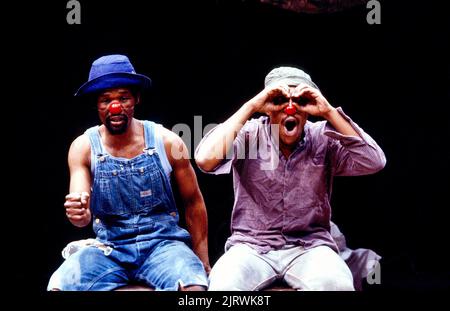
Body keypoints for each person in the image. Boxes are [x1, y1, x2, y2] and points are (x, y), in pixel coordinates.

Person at [195, 66, 386, 291]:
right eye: (279, 100)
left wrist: (328, 112)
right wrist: (251, 106)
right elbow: (205, 159)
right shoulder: (249, 134)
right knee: (223, 286)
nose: (290, 108)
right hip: (251, 247)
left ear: (308, 109)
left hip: (310, 247)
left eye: (300, 101)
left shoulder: (322, 138)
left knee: (338, 285)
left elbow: (374, 161)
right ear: (268, 107)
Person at [48, 54, 210, 291]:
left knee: (193, 288)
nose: (115, 107)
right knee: (61, 285)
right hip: (109, 249)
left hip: (163, 245)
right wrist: (78, 213)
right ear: (97, 104)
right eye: (106, 100)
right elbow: (81, 209)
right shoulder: (83, 147)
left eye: (123, 98)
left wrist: (201, 258)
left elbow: (193, 202)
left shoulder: (167, 142)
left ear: (136, 98)